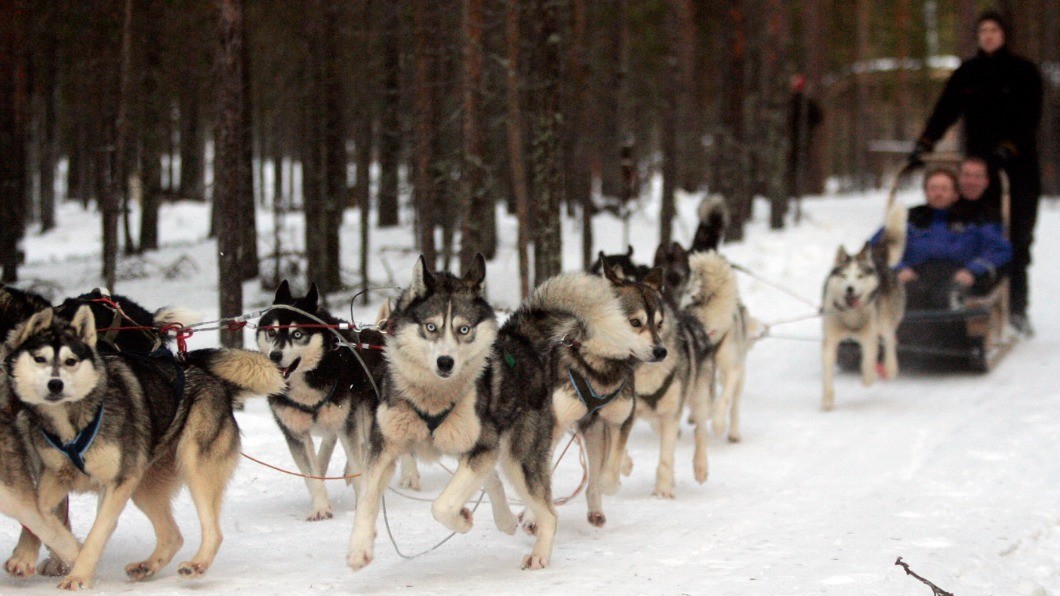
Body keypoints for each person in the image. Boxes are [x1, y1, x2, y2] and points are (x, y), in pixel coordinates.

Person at [907, 11, 1042, 335]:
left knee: (1017, 238)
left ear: (1005, 34)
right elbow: (945, 111)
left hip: (1017, 168)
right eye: (983, 30)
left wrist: (1007, 149)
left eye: (994, 29)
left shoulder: (1024, 71)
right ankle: (962, 299)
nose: (988, 35)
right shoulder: (968, 73)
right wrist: (924, 143)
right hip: (977, 172)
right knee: (971, 232)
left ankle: (1017, 307)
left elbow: (1030, 118)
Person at [881, 168, 1012, 310]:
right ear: (926, 192)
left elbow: (999, 250)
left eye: (944, 189)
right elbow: (879, 246)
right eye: (933, 188)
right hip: (914, 276)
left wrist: (973, 271)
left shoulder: (974, 218)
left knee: (946, 298)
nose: (938, 193)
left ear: (955, 194)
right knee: (909, 296)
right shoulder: (908, 218)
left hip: (958, 276)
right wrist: (899, 269)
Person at [952, 156, 1000, 225]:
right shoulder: (944, 211)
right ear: (958, 178)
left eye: (978, 176)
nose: (971, 182)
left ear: (986, 182)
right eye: (966, 175)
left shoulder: (994, 217)